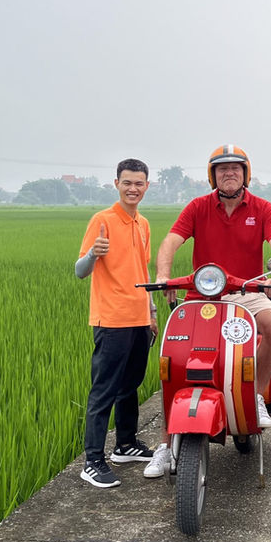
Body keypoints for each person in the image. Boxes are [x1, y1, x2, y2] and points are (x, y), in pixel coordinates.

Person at [145, 145, 271, 478]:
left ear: (245, 174)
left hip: (245, 291)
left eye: (235, 168)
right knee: (176, 361)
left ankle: (256, 396)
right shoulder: (198, 207)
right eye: (222, 169)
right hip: (201, 296)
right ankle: (165, 445)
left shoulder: (263, 208)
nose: (229, 174)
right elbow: (171, 241)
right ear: (213, 176)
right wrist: (163, 275)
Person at [75, 158, 158, 489]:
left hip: (139, 318)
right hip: (111, 320)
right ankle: (93, 461)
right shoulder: (103, 220)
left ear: (146, 186)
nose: (133, 188)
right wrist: (93, 254)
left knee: (130, 385)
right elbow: (80, 271)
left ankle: (125, 445)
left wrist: (152, 313)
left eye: (139, 183)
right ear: (116, 184)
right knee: (104, 389)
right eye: (127, 183)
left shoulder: (143, 224)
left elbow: (142, 270)